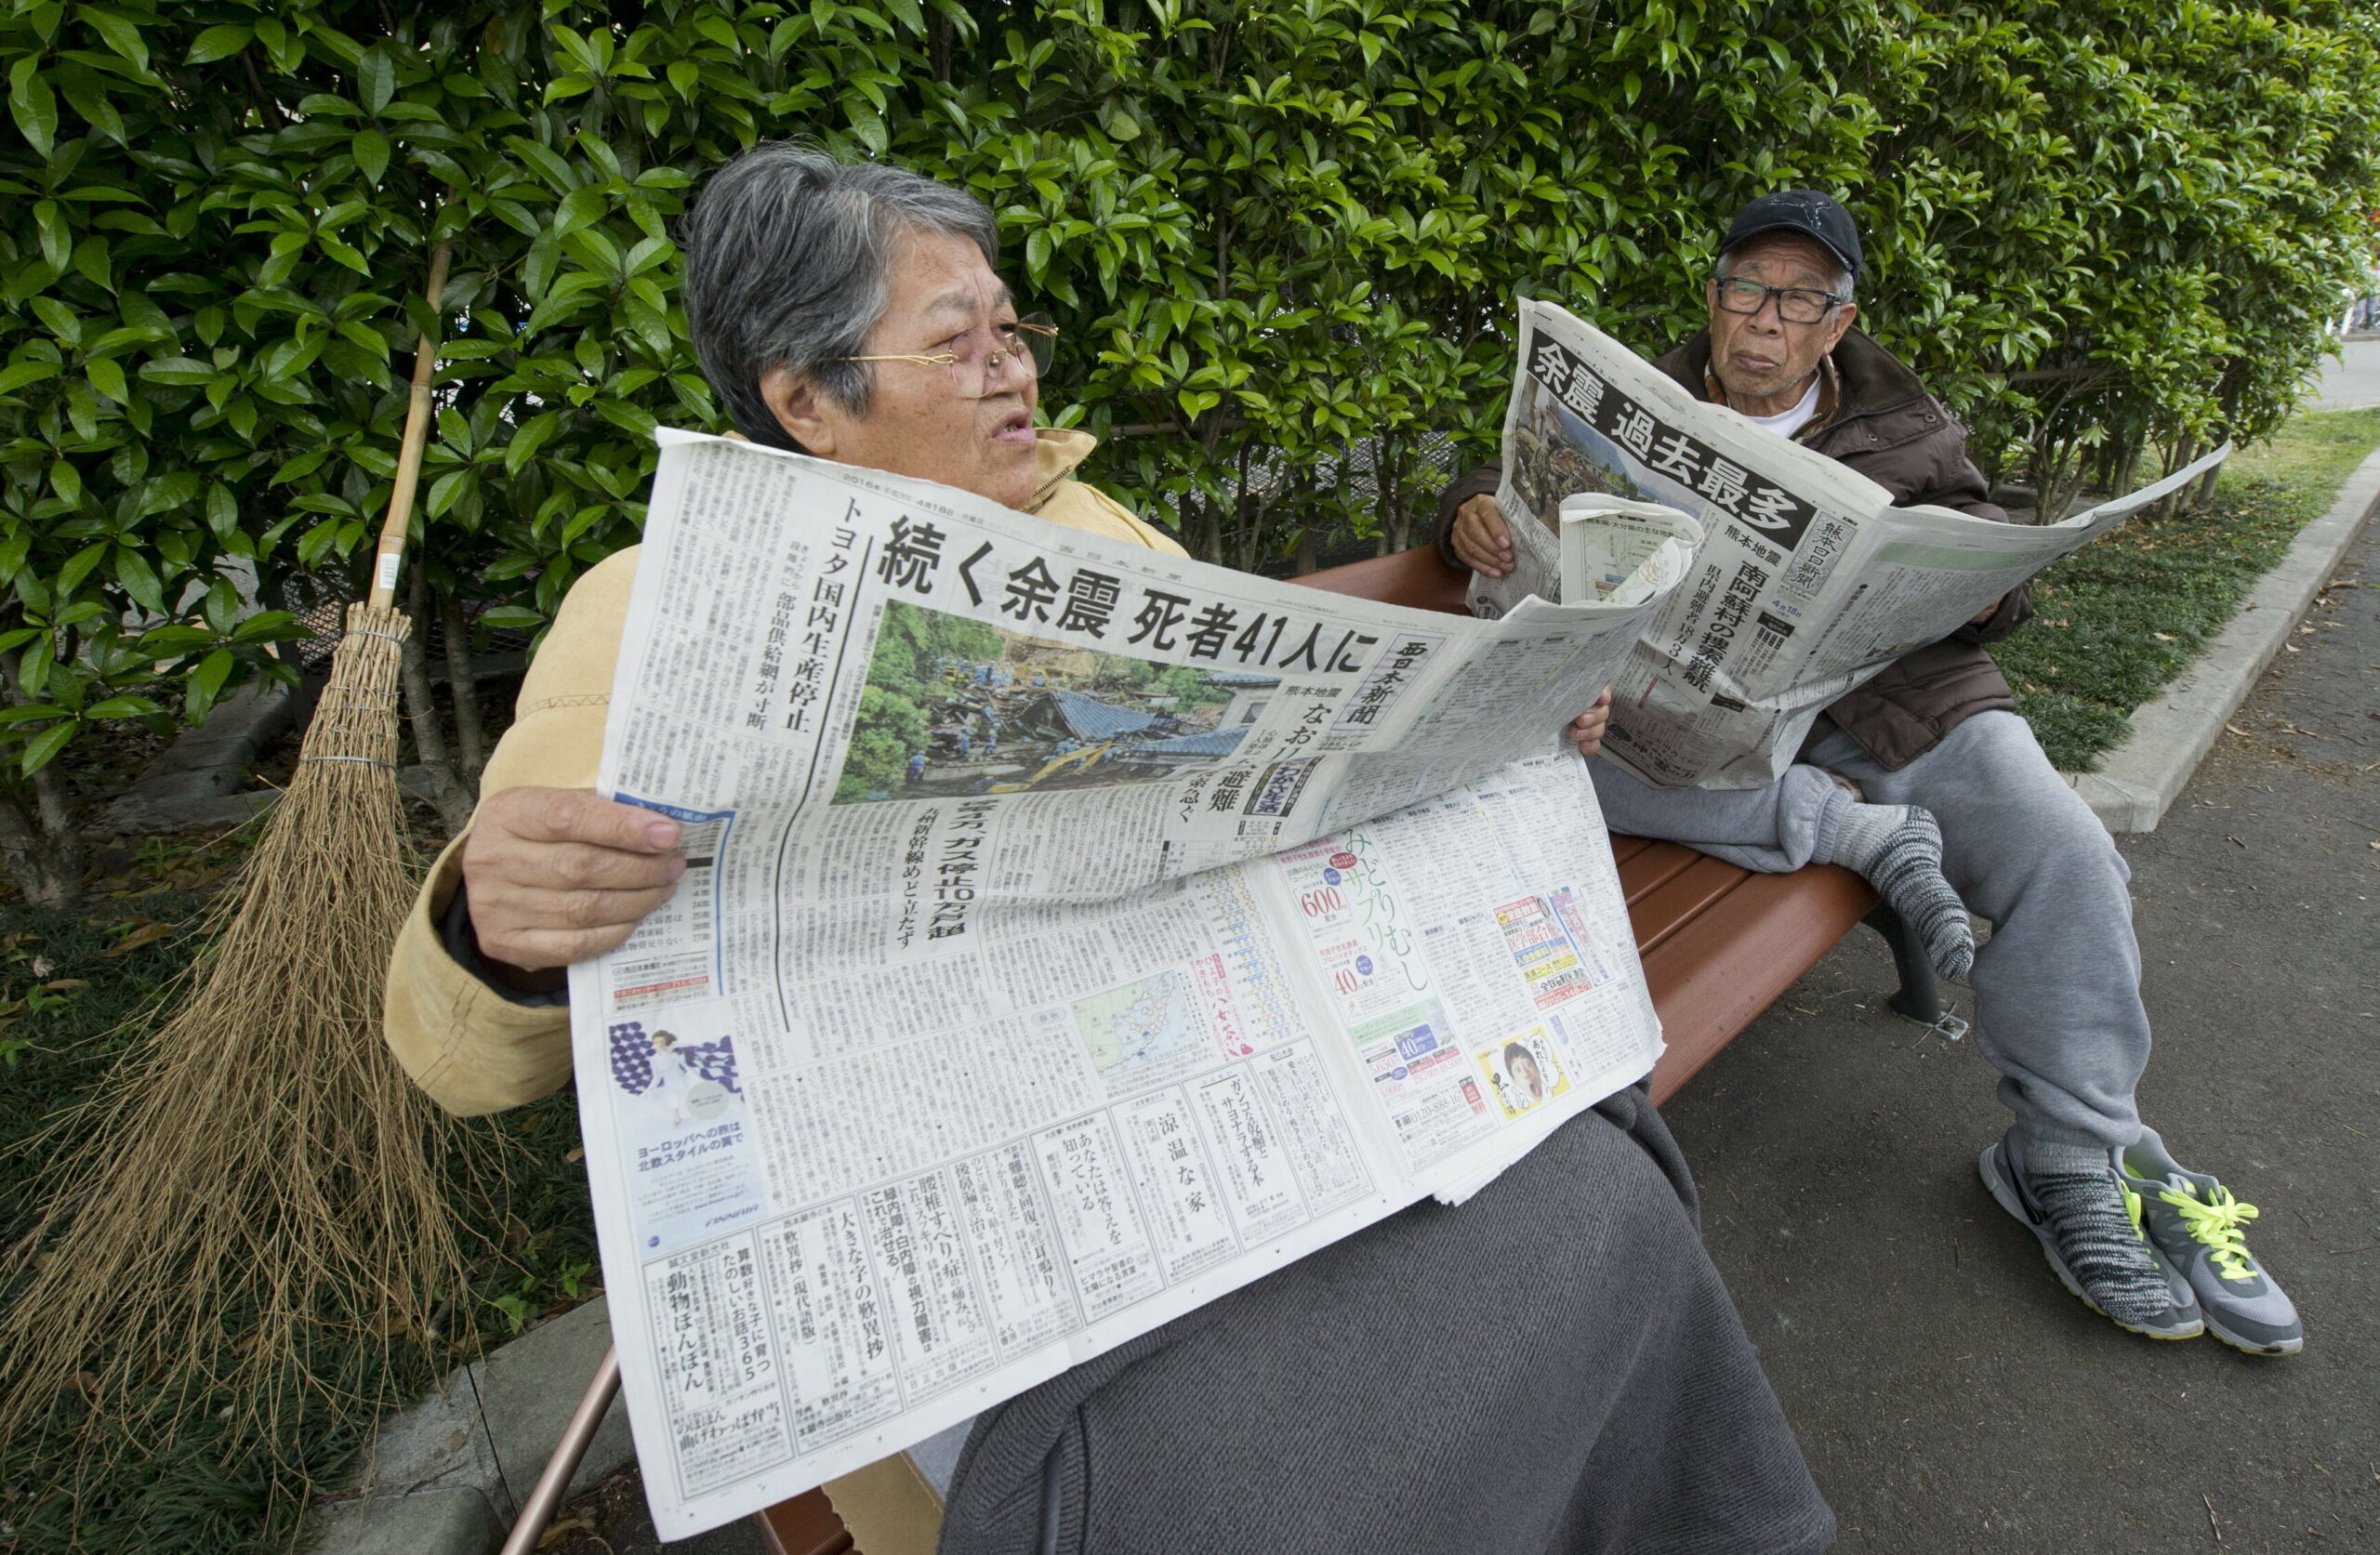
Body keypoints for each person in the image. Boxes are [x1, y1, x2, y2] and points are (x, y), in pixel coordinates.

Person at [382, 145, 1834, 1553]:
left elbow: (1300, 766)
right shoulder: (658, 609)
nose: (1014, 367)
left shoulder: (1089, 523)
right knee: (1228, 1487)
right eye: (958, 343)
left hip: (1264, 1108)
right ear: (806, 402)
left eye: (1013, 328)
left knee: (1603, 1208)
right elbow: (448, 1054)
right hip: (1015, 1271)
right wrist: (490, 929)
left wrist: (1501, 707)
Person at [1436, 190, 2300, 1356]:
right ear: (1713, 294)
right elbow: (1499, 490)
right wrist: (1469, 517)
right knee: (1532, 752)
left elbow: (1989, 567)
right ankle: (1846, 831)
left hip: (1889, 708)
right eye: (1745, 288)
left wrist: (1990, 584)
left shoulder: (1906, 430)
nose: (1763, 321)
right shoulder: (1639, 398)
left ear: (1837, 325)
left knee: (2065, 850)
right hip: (1671, 716)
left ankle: (2065, 1152)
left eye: (1798, 300)